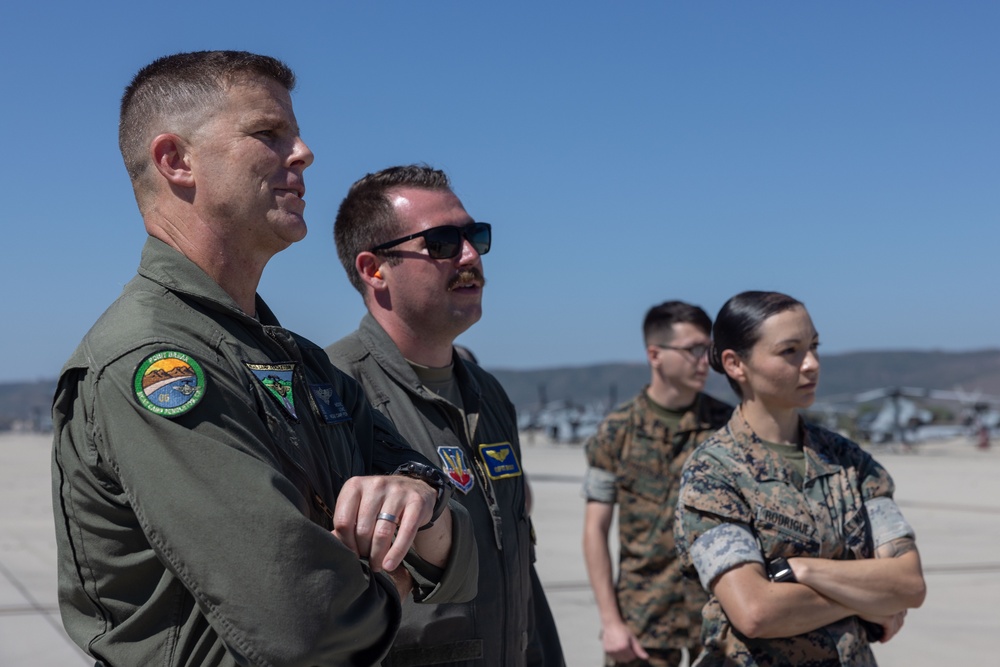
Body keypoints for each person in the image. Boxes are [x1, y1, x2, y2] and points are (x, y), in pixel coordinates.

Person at [50, 51, 477, 667]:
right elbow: (307, 625)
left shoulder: (299, 364)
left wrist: (420, 497)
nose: (303, 154)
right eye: (268, 134)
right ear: (176, 161)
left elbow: (463, 565)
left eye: (295, 136)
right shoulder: (156, 363)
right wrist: (395, 582)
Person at [327, 164, 565, 667]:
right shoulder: (332, 392)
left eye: (474, 237)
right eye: (441, 242)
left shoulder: (488, 396)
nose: (471, 255)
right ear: (374, 270)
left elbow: (521, 567)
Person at [674, 291, 927, 666]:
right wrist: (866, 603)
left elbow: (909, 584)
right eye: (789, 351)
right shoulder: (713, 473)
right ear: (735, 364)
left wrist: (803, 571)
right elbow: (756, 611)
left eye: (814, 346)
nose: (811, 364)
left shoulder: (849, 462)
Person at [582, 301, 733, 667]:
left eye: (708, 350)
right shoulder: (617, 431)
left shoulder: (728, 428)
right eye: (693, 349)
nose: (705, 361)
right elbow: (595, 530)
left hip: (717, 620)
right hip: (642, 623)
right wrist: (611, 622)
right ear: (655, 355)